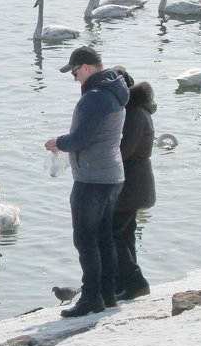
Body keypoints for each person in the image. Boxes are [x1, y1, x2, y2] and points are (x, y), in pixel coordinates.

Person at [45, 46, 129, 318]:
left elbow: (80, 139)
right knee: (104, 237)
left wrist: (57, 142)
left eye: (74, 71)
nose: (73, 77)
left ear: (87, 66)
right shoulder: (115, 90)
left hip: (92, 178)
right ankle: (107, 294)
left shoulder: (95, 97)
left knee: (85, 239)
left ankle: (91, 297)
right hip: (111, 174)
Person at [110, 67, 155, 300]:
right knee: (125, 232)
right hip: (135, 181)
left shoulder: (134, 114)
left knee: (114, 232)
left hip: (132, 182)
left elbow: (125, 150)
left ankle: (135, 281)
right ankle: (124, 284)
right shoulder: (137, 110)